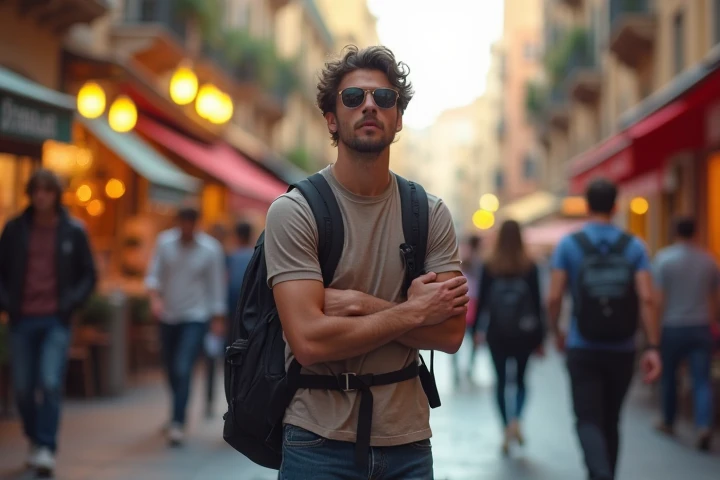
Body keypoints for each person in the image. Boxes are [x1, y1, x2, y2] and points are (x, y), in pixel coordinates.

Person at [264, 45, 469, 479]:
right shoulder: (295, 210)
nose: (370, 106)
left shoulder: (429, 212)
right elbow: (309, 341)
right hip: (316, 441)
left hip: (408, 442)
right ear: (332, 119)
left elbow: (450, 333)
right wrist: (413, 312)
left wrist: (356, 304)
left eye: (385, 98)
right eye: (353, 98)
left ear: (398, 118)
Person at [547, 178, 662, 480]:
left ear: (587, 206)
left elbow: (554, 296)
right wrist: (652, 346)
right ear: (615, 206)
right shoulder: (634, 245)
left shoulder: (569, 245)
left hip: (582, 345)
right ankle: (607, 473)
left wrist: (557, 332)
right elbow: (648, 298)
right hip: (623, 348)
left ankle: (599, 474)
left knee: (587, 419)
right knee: (611, 419)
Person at [0, 169, 96, 477]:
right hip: (22, 318)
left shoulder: (73, 230)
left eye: (47, 190)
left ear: (56, 194)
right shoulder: (14, 229)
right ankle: (34, 438)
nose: (41, 196)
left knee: (50, 382)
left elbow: (89, 275)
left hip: (56, 319)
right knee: (24, 388)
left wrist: (71, 303)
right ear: (30, 193)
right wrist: (6, 303)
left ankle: (46, 447)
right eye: (36, 190)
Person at [145, 206, 227, 446]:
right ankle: (176, 413)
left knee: (183, 368)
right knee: (170, 369)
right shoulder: (165, 243)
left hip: (196, 317)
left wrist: (217, 319)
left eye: (191, 223)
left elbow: (216, 287)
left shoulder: (211, 249)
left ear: (197, 223)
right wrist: (155, 299)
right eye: (183, 222)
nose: (187, 228)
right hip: (168, 316)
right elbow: (153, 276)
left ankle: (178, 422)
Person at [472, 220, 545, 454]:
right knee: (522, 380)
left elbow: (482, 302)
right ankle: (517, 420)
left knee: (501, 382)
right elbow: (537, 304)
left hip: (497, 333)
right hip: (524, 333)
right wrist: (541, 338)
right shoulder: (529, 265)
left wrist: (476, 332)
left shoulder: (490, 265)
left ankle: (505, 426)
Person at [652, 216, 717, 451]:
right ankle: (703, 425)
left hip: (672, 325)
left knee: (669, 377)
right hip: (700, 326)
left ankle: (669, 421)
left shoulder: (664, 259)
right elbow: (714, 297)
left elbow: (658, 299)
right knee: (702, 380)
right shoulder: (709, 260)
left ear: (675, 232)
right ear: (696, 232)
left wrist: (654, 331)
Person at [452, 234, 483, 384]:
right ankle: (458, 370)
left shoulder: (478, 263)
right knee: (457, 338)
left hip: (472, 303)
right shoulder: (458, 262)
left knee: (472, 339)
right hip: (462, 302)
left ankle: (467, 369)